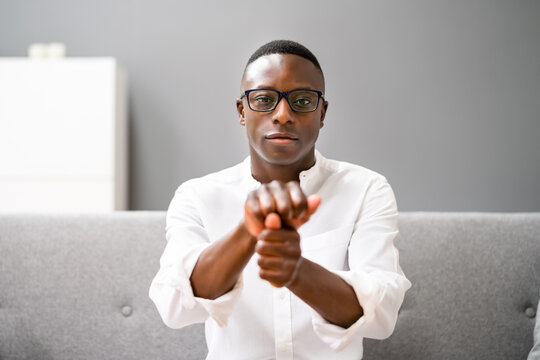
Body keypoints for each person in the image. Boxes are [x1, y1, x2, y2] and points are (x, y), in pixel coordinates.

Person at [149, 40, 411, 359]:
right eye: (264, 99)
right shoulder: (197, 196)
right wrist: (248, 230)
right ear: (242, 111)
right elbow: (174, 307)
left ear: (322, 112)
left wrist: (297, 272)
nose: (283, 115)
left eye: (301, 100)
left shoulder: (366, 189)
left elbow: (381, 317)